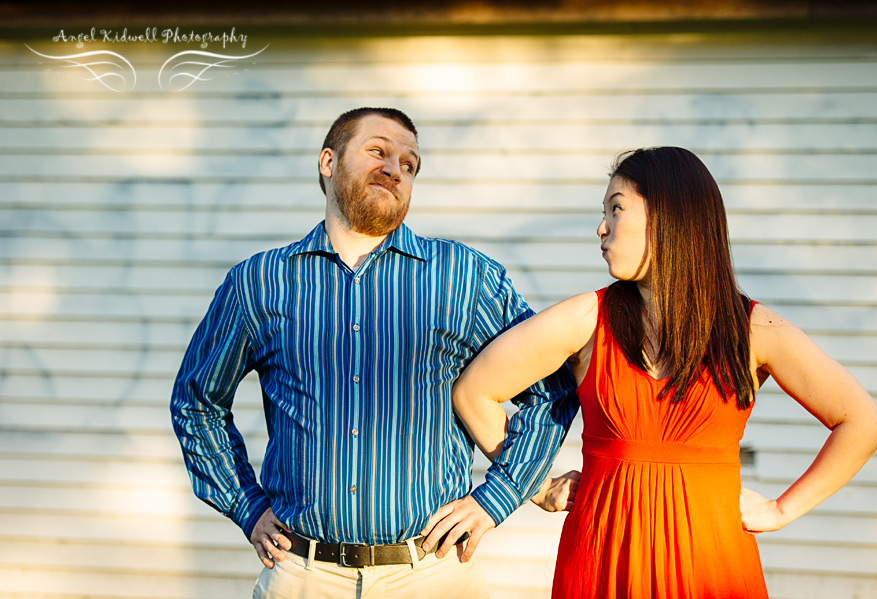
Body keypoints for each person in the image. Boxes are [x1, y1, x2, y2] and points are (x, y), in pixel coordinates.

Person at [170, 107, 578, 599]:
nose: (395, 169)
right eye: (378, 151)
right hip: (303, 574)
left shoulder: (463, 278)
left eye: (410, 165)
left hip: (432, 575)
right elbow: (197, 403)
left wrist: (498, 499)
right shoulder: (259, 283)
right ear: (328, 161)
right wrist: (246, 506)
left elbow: (550, 390)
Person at [451, 147, 877, 598]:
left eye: (616, 208)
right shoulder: (585, 320)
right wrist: (535, 485)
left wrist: (781, 510)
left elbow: (863, 422)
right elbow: (473, 392)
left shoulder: (755, 330)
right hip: (604, 562)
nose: (601, 228)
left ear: (667, 215)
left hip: (712, 566)